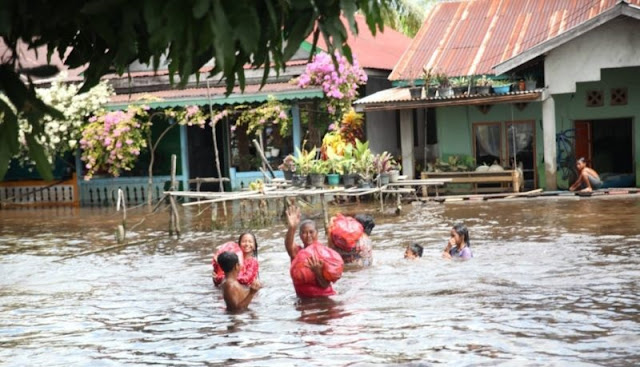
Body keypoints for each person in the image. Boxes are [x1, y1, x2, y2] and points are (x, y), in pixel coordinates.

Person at [285, 205, 334, 296]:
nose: (308, 235)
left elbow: (325, 285)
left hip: (324, 298)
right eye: (304, 233)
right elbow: (289, 246)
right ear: (299, 235)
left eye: (311, 232)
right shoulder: (298, 253)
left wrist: (317, 271)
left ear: (317, 233)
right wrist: (292, 228)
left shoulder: (323, 254)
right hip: (304, 300)